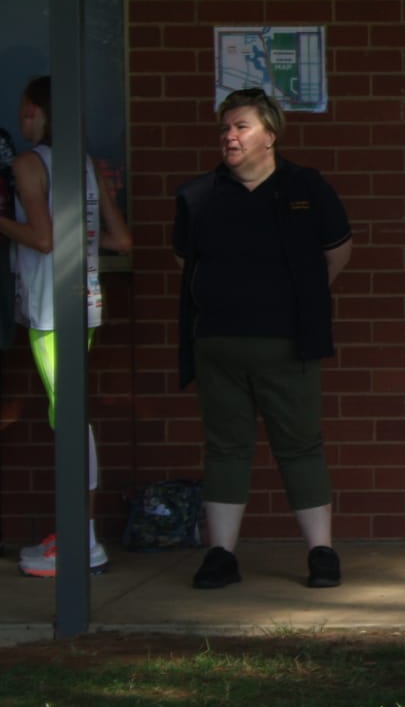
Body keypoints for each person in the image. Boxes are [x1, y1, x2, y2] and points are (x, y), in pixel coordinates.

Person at [173, 87, 352, 590]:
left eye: (241, 126)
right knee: (226, 448)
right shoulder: (199, 195)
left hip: (289, 343)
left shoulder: (307, 188)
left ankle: (322, 553)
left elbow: (337, 254)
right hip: (218, 346)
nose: (229, 136)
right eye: (225, 128)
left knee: (300, 445)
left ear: (270, 134)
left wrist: (296, 299)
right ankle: (220, 556)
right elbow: (186, 265)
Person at [1, 75, 133, 576]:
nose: (21, 120)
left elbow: (41, 239)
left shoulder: (29, 164)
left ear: (42, 113)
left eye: (27, 111)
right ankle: (78, 536)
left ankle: (83, 543)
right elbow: (121, 240)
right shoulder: (84, 164)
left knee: (70, 421)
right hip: (85, 304)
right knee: (70, 415)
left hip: (50, 307)